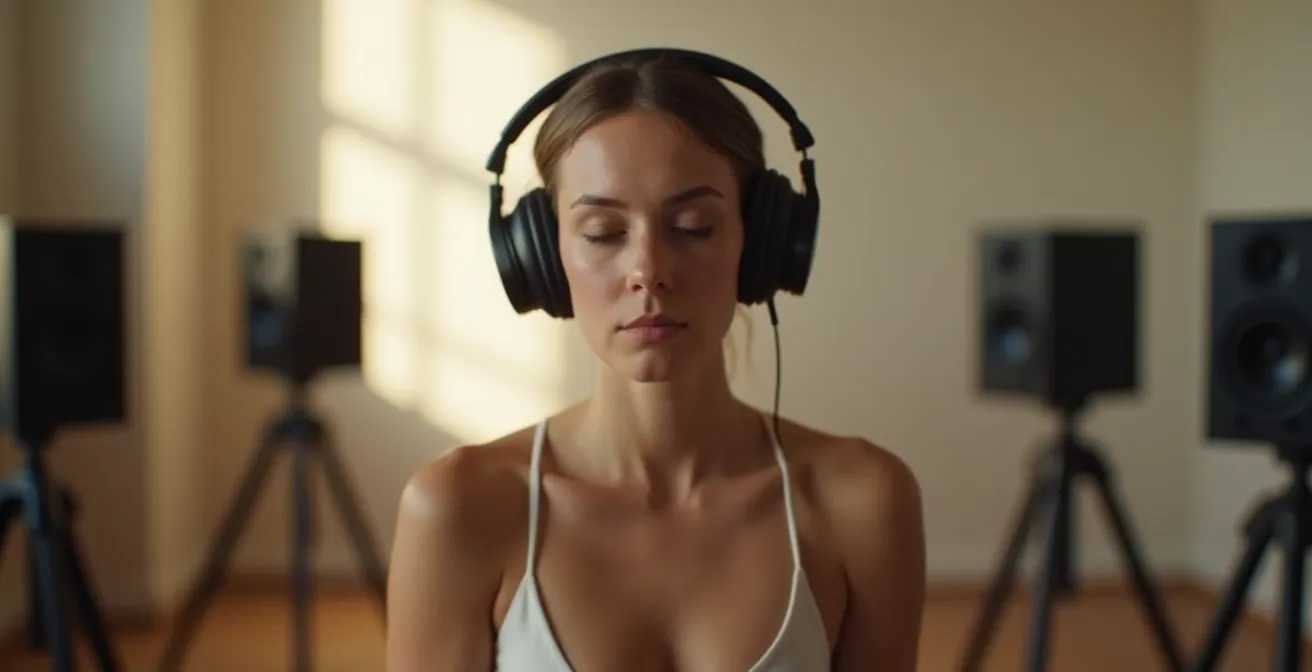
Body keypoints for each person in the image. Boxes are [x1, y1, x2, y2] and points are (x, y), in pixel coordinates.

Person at [385, 51, 926, 672]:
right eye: (602, 232)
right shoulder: (458, 509)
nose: (648, 270)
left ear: (760, 243)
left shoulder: (863, 501)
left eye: (693, 226)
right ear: (543, 255)